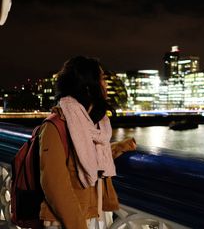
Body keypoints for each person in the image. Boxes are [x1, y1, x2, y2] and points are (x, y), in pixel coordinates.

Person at [39, 56, 136, 229]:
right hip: (69, 221)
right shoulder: (55, 126)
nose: (105, 85)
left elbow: (87, 156)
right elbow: (54, 186)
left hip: (96, 213)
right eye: (102, 79)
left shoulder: (95, 124)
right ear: (87, 86)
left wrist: (117, 148)